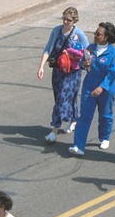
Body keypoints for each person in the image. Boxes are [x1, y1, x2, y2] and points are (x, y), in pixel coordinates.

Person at [68, 22, 115, 156]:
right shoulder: (90, 48)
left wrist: (102, 88)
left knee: (105, 115)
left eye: (99, 34)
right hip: (89, 87)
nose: (95, 36)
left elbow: (112, 74)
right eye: (95, 33)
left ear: (107, 37)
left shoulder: (114, 54)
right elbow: (82, 63)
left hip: (106, 89)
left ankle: (104, 137)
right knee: (84, 116)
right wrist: (83, 64)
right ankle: (78, 146)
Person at [37, 8, 88, 143]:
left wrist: (76, 57)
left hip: (72, 74)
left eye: (69, 20)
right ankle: (73, 120)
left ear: (75, 21)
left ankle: (54, 130)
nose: (65, 22)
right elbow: (49, 48)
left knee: (62, 99)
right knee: (63, 98)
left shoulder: (79, 34)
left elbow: (87, 53)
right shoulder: (56, 30)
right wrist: (41, 66)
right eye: (64, 18)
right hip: (58, 71)